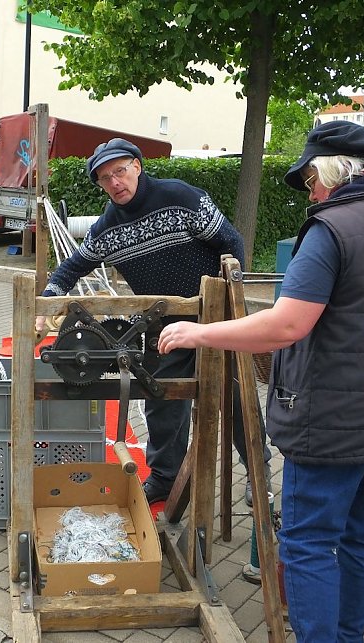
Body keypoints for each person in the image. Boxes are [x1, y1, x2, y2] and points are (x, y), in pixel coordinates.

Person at [157, 121, 364, 641]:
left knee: (309, 541)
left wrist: (199, 332)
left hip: (337, 424)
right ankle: (348, 635)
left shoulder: (333, 228)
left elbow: (285, 324)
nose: (310, 193)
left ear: (335, 172)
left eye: (311, 180)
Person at [35, 138, 272, 505]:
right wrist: (46, 304)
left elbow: (231, 243)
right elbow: (69, 269)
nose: (115, 182)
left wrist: (230, 301)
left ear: (137, 166)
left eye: (120, 171)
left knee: (238, 399)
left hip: (215, 321)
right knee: (161, 400)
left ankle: (259, 473)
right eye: (104, 178)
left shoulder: (183, 198)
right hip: (165, 329)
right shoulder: (107, 228)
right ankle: (165, 478)